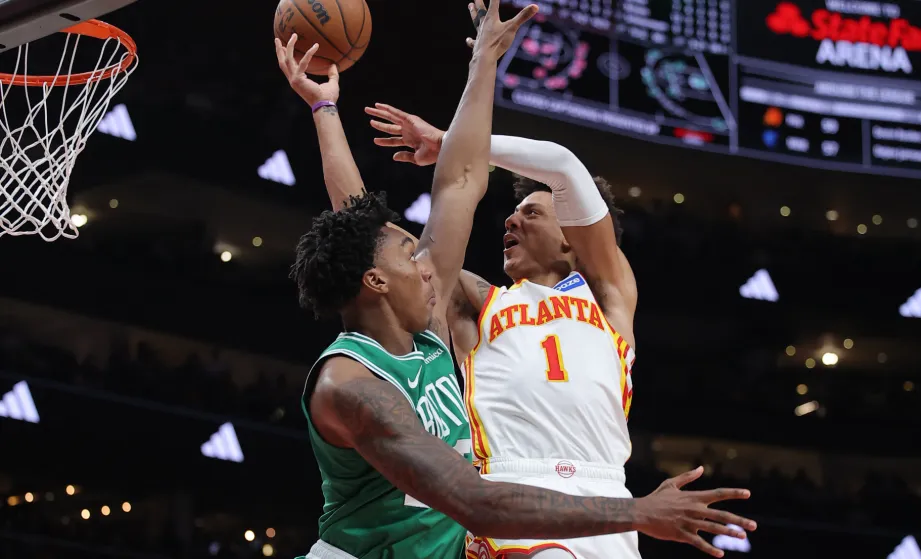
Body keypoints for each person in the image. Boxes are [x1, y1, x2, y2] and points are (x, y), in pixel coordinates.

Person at [277, 1, 756, 558]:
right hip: (503, 497)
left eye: (532, 212)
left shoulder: (610, 298)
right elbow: (364, 231)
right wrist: (330, 112)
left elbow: (558, 167)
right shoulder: (471, 303)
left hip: (604, 500)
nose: (510, 218)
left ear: (571, 236)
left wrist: (460, 131)